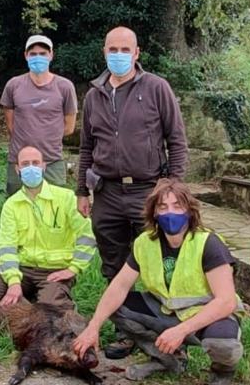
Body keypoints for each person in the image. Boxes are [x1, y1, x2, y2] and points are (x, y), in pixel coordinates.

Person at [73, 179, 243, 385]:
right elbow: (119, 286)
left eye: (177, 206)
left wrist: (181, 331)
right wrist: (93, 327)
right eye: (162, 207)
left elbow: (226, 302)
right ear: (153, 212)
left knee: (224, 344)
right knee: (117, 308)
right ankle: (168, 360)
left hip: (207, 317)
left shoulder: (208, 243)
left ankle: (221, 374)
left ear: (190, 211)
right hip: (167, 311)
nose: (169, 213)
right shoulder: (145, 242)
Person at [77, 25, 188, 358]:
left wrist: (174, 189)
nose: (119, 56)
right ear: (104, 52)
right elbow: (85, 147)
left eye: (126, 50)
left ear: (137, 53)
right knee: (114, 265)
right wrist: (82, 190)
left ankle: (174, 333)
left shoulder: (156, 89)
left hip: (149, 191)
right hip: (107, 193)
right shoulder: (94, 95)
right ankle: (126, 330)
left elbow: (177, 140)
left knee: (162, 261)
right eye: (113, 49)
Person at [0, 146, 97, 312]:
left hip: (54, 270)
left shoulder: (65, 198)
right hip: (22, 269)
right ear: (18, 169)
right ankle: (29, 300)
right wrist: (14, 282)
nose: (31, 168)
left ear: (44, 166)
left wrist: (73, 268)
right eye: (25, 164)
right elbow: (7, 247)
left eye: (35, 163)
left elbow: (88, 234)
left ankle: (46, 303)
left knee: (48, 308)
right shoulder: (11, 205)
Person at [0, 34, 78, 195]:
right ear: (26, 56)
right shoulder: (14, 85)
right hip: (19, 161)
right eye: (33, 54)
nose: (38, 57)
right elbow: (11, 125)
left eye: (42, 53)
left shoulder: (65, 87)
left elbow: (69, 127)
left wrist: (46, 137)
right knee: (17, 208)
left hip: (52, 161)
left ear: (51, 55)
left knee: (56, 209)